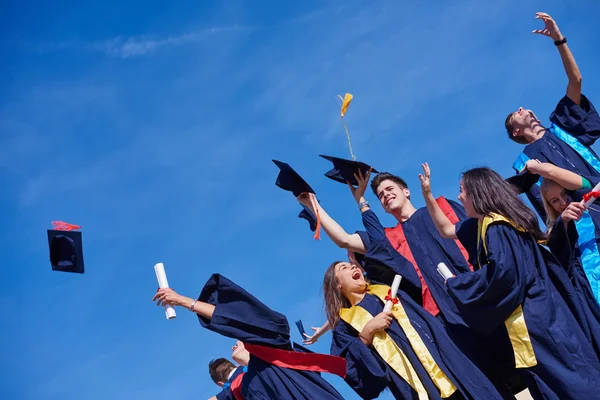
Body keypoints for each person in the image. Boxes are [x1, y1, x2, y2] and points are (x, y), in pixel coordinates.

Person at [298, 161, 522, 394]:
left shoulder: (442, 207)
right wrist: (319, 205)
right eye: (380, 195)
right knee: (479, 385)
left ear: (406, 191)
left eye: (389, 189)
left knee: (519, 365)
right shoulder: (387, 238)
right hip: (441, 322)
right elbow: (344, 240)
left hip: (478, 299)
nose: (385, 195)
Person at [421, 165, 600, 399]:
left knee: (572, 382)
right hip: (542, 312)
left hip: (536, 318)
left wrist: (458, 285)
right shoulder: (497, 223)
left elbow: (504, 274)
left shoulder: (496, 226)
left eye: (462, 190)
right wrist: (426, 194)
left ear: (478, 192)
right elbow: (446, 229)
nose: (459, 197)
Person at [152, 274, 347, 400]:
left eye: (239, 339)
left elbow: (235, 321)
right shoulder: (244, 384)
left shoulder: (277, 346)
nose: (233, 346)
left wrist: (182, 301)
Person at [504, 12, 600, 219]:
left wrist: (559, 39)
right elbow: (544, 205)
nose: (521, 108)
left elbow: (576, 79)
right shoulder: (525, 163)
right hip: (584, 218)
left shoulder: (561, 124)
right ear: (516, 132)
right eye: (515, 114)